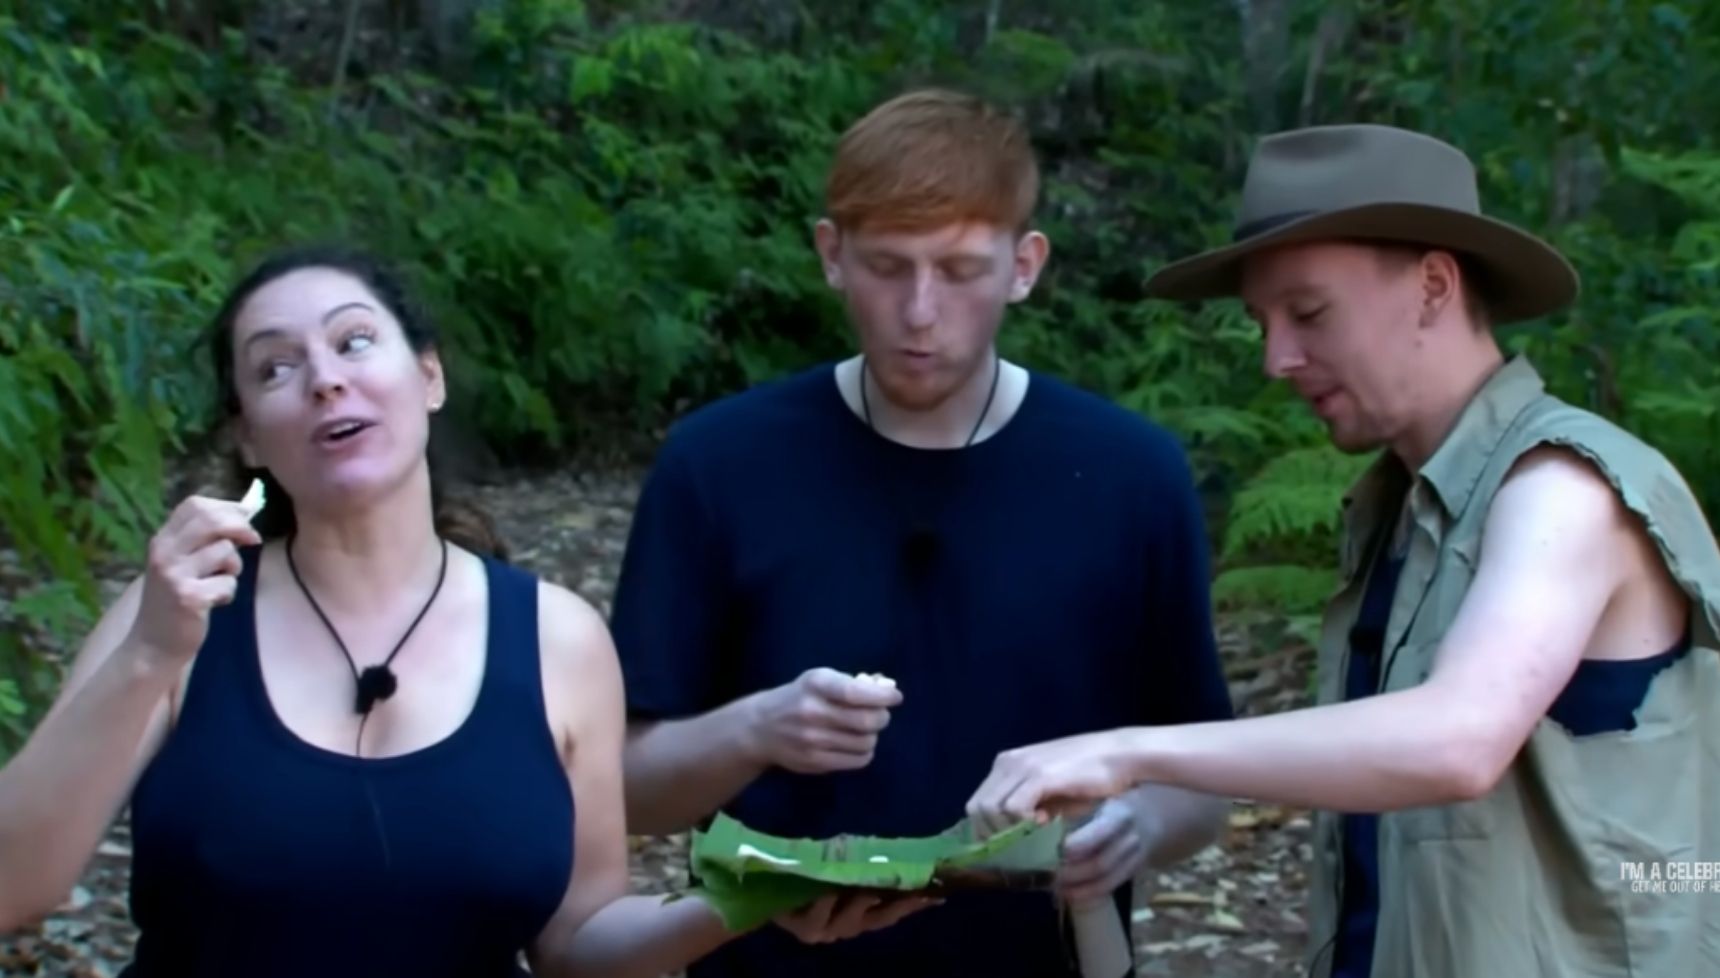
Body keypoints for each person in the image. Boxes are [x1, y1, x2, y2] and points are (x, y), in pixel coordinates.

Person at [0, 247, 913, 977]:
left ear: (428, 376)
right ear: (247, 434)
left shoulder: (558, 639)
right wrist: (149, 656)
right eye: (276, 367)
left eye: (354, 342)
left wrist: (743, 902)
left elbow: (577, 941)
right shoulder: (175, 619)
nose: (323, 379)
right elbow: (13, 890)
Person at [965, 123, 1720, 977]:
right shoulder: (1403, 513)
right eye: (1262, 322)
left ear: (1434, 285)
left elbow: (1458, 740)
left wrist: (1124, 751)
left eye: (1310, 313)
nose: (1276, 359)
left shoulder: (1560, 490)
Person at [608, 87, 1235, 978]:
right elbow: (628, 789)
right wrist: (756, 730)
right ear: (832, 254)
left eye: (960, 270)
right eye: (887, 266)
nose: (919, 311)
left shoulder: (1131, 476)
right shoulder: (718, 465)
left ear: (1025, 265)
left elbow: (1201, 774)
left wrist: (1136, 828)